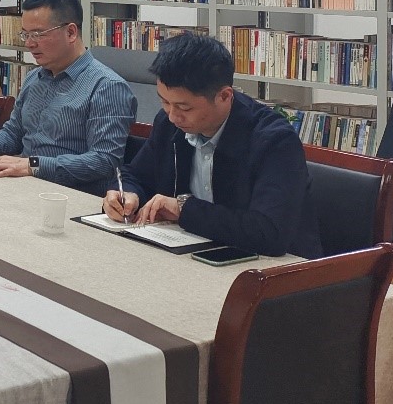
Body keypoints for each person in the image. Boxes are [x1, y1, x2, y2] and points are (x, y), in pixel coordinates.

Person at [104, 32, 322, 258]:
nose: (173, 116)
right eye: (164, 101)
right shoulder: (170, 123)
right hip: (197, 254)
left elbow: (268, 233)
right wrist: (126, 193)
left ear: (224, 96)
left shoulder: (274, 140)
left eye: (185, 108)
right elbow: (137, 174)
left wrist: (184, 208)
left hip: (276, 268)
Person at [0, 0, 135, 195]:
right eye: (26, 34)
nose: (30, 44)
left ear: (71, 32)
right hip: (24, 188)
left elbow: (104, 161)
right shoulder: (34, 78)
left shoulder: (107, 86)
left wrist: (33, 165)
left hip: (71, 197)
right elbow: (13, 133)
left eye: (38, 34)